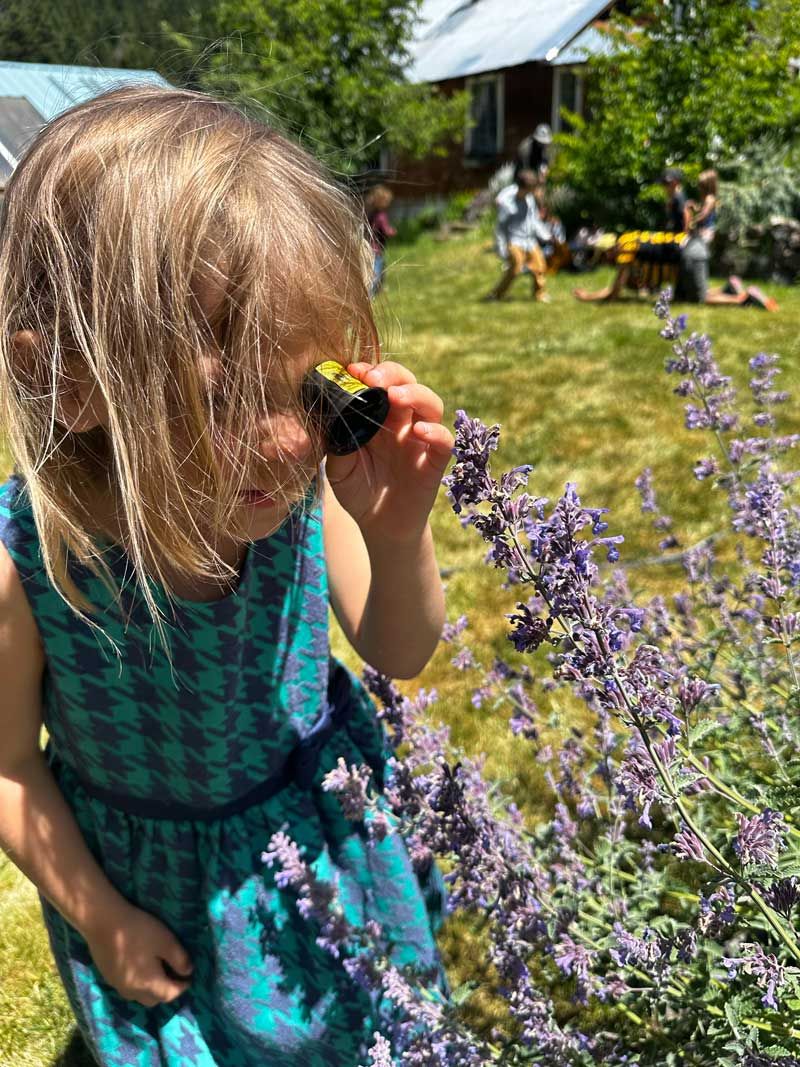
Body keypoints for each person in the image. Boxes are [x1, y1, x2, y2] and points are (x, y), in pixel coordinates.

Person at [0, 85, 454, 1066]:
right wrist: (102, 918)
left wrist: (400, 527)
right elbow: (7, 765)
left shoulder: (296, 497)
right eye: (223, 397)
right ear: (72, 383)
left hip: (320, 850)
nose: (290, 439)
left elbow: (400, 648)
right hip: (150, 893)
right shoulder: (32, 562)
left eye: (310, 388)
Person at [573, 228, 778, 310]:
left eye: (604, 256)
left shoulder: (625, 253)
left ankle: (744, 298)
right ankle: (729, 288)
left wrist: (588, 296)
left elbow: (615, 292)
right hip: (692, 246)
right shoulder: (628, 237)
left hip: (688, 255)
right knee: (682, 298)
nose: (606, 260)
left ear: (609, 251)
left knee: (699, 299)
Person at [484, 170, 551, 302]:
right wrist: (501, 247)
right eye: (530, 189)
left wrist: (545, 234)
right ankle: (496, 295)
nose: (533, 192)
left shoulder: (529, 199)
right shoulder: (507, 203)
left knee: (540, 267)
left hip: (529, 239)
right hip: (513, 240)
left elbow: (533, 219)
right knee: (515, 268)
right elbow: (500, 227)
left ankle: (539, 294)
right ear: (522, 188)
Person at [364, 184, 397, 297]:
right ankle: (370, 294)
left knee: (376, 270)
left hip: (369, 246)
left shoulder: (372, 214)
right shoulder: (382, 216)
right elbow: (386, 230)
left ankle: (377, 290)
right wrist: (392, 231)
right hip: (376, 250)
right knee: (376, 272)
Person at [687, 168, 719, 244]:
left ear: (706, 186)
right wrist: (694, 207)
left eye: (701, 186)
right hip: (703, 230)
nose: (699, 188)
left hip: (707, 231)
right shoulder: (707, 198)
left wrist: (691, 221)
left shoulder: (710, 199)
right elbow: (701, 210)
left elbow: (704, 214)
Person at [662, 167, 690, 233]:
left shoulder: (679, 196)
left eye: (667, 183)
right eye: (664, 183)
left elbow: (687, 213)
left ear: (675, 182)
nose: (665, 186)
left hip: (680, 233)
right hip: (673, 232)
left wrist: (685, 232)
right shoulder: (672, 197)